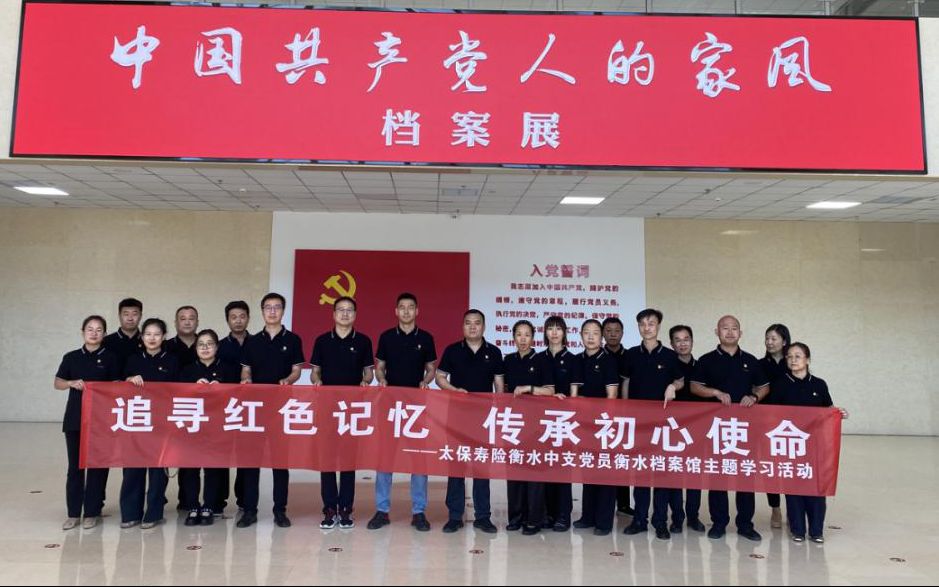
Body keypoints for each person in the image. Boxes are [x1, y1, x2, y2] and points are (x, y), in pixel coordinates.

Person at [691, 315, 769, 542]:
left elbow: (764, 387)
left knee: (745, 476)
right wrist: (715, 392)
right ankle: (719, 523)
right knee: (718, 476)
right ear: (717, 332)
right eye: (725, 328)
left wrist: (754, 396)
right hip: (716, 429)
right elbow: (694, 387)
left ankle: (745, 524)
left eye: (734, 328)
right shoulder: (706, 360)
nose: (730, 332)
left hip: (744, 429)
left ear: (740, 333)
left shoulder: (751, 361)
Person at [367, 293, 436, 532]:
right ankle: (382, 510)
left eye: (411, 307)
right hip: (390, 406)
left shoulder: (426, 338)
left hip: (416, 407)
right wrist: (382, 379)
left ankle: (419, 512)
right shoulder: (387, 337)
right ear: (396, 311)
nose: (406, 311)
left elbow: (431, 369)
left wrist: (426, 381)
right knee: (385, 458)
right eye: (402, 308)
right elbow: (379, 367)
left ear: (417, 311)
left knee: (418, 458)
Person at [238, 293, 304, 528]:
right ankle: (249, 510)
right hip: (255, 409)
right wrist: (246, 380)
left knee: (280, 461)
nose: (272, 311)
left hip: (282, 408)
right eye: (268, 307)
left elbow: (296, 370)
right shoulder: (252, 341)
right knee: (251, 460)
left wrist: (288, 379)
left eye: (277, 307)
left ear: (283, 311)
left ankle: (280, 510)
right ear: (262, 311)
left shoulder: (293, 340)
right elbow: (246, 370)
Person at [771, 342, 849, 544]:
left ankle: (816, 530)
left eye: (797, 356)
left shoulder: (819, 384)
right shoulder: (780, 384)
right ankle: (797, 529)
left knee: (816, 487)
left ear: (807, 360)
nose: (793, 360)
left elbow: (828, 409)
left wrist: (839, 413)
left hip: (815, 445)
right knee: (794, 487)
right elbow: (771, 414)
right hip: (790, 445)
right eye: (789, 356)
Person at [435, 309, 504, 534]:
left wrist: (499, 411)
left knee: (481, 467)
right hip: (456, 418)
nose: (472, 327)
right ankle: (455, 516)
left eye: (477, 323)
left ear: (484, 326)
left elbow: (499, 385)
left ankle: (483, 516)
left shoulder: (494, 352)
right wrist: (454, 390)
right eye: (468, 323)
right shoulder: (452, 350)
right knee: (456, 467)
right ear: (462, 326)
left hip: (483, 420)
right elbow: (440, 377)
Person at [310, 296, 374, 530]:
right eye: (341, 310)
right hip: (327, 408)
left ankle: (346, 508)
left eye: (349, 310)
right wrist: (316, 381)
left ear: (355, 315)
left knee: (348, 459)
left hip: (352, 410)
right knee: (327, 459)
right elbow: (315, 372)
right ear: (333, 314)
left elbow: (369, 373)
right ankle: (329, 508)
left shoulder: (364, 341)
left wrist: (366, 381)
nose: (345, 314)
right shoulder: (322, 341)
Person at [621, 309, 684, 540]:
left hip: (662, 425)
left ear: (658, 326)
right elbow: (625, 383)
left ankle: (660, 522)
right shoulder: (631, 354)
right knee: (640, 473)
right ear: (638, 327)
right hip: (638, 423)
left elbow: (680, 380)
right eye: (643, 324)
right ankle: (639, 520)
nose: (647, 328)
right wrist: (625, 411)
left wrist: (672, 387)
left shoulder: (669, 356)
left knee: (660, 473)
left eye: (651, 323)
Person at [54, 315, 120, 530]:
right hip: (75, 419)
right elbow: (58, 383)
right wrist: (71, 383)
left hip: (102, 421)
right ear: (82, 332)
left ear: (104, 334)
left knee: (98, 467)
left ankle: (92, 511)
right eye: (90, 329)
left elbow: (117, 386)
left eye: (99, 330)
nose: (94, 333)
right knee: (75, 467)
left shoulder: (111, 358)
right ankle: (73, 513)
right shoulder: (71, 357)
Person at [120, 317, 179, 529]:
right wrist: (128, 380)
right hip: (136, 421)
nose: (152, 338)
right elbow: (118, 387)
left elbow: (179, 391)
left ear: (164, 337)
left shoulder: (172, 361)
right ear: (142, 337)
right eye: (148, 334)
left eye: (156, 334)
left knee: (158, 471)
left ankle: (153, 514)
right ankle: (130, 514)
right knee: (132, 469)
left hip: (162, 423)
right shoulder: (133, 360)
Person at [179, 329, 240, 526]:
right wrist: (193, 387)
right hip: (192, 426)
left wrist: (222, 388)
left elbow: (238, 395)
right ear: (195, 348)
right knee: (191, 468)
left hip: (217, 427)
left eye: (209, 344)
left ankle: (209, 506)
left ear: (217, 347)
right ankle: (192, 506)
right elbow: (176, 396)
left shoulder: (229, 369)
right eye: (201, 344)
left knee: (213, 468)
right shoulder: (187, 370)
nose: (205, 348)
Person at [502, 320, 554, 535]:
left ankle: (534, 519)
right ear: (513, 337)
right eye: (519, 334)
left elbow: (550, 391)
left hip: (536, 424)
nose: (522, 339)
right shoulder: (508, 360)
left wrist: (529, 389)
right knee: (514, 471)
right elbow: (503, 391)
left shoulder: (542, 360)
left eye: (527, 335)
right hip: (513, 424)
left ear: (533, 338)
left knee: (534, 473)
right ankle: (515, 518)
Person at [571, 319, 619, 536]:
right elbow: (574, 395)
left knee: (605, 474)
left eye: (595, 333)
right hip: (583, 424)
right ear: (581, 336)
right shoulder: (577, 360)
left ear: (601, 337)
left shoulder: (608, 360)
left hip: (604, 425)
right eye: (586, 333)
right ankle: (587, 516)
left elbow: (612, 396)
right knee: (588, 470)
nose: (590, 337)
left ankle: (604, 522)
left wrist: (596, 413)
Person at [539, 315, 581, 532]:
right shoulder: (538, 358)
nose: (554, 332)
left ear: (565, 333)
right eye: (550, 328)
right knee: (545, 468)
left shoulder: (573, 359)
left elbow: (574, 395)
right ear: (545, 332)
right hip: (542, 422)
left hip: (565, 423)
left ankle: (563, 516)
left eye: (558, 328)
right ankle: (547, 514)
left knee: (562, 470)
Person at [668, 324, 706, 533]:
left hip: (696, 427)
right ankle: (677, 517)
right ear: (671, 343)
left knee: (693, 472)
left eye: (686, 339)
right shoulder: (667, 365)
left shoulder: (701, 366)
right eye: (678, 340)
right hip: (672, 427)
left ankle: (693, 516)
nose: (682, 344)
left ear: (692, 341)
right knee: (674, 473)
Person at [216, 300, 252, 515]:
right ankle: (218, 501)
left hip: (250, 407)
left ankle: (244, 500)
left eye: (242, 316)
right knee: (222, 454)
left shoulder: (257, 343)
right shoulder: (219, 346)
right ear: (227, 320)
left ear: (248, 318)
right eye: (233, 317)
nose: (238, 321)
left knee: (246, 455)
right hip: (224, 407)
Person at [761, 323, 792, 529]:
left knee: (789, 468)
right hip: (767, 423)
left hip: (790, 425)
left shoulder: (793, 364)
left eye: (774, 338)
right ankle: (775, 507)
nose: (769, 342)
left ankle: (793, 508)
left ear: (784, 341)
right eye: (767, 338)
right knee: (771, 468)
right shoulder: (759, 364)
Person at [602, 316, 633, 517]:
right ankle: (603, 503)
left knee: (621, 460)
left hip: (624, 415)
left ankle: (623, 504)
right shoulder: (597, 355)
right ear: (603, 334)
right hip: (601, 417)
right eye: (608, 331)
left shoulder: (630, 356)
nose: (613, 334)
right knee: (602, 459)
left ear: (622, 333)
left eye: (617, 331)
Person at [102, 297, 143, 373]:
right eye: (126, 314)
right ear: (119, 315)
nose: (130, 318)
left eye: (134, 314)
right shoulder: (106, 341)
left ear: (140, 316)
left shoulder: (148, 342)